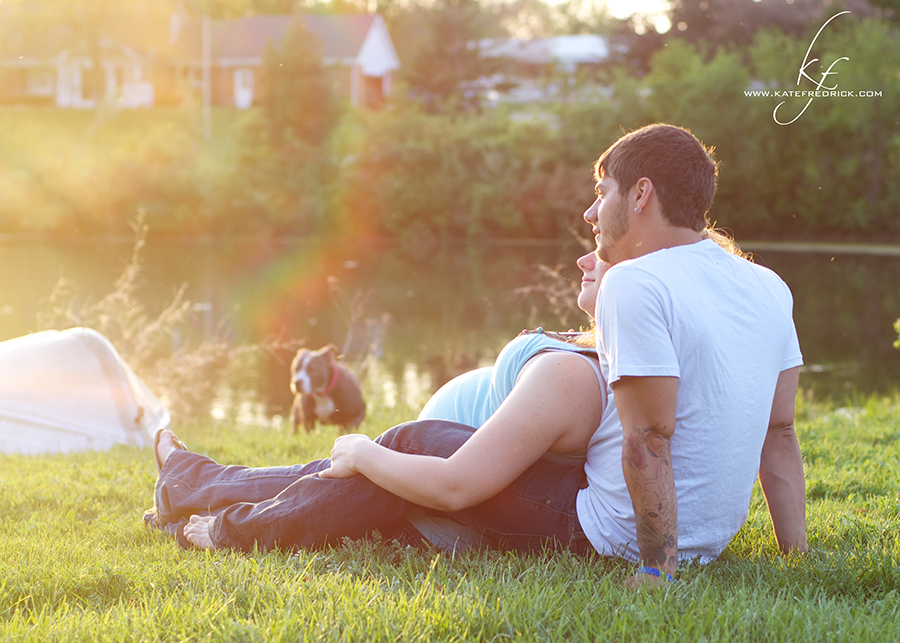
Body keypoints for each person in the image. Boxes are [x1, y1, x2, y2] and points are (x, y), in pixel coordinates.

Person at [150, 124, 807, 585]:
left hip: (599, 535)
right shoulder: (768, 286)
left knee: (406, 447)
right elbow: (780, 435)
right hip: (709, 539)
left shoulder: (636, 281)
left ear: (641, 195)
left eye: (602, 190)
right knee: (422, 447)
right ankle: (196, 481)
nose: (590, 209)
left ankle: (212, 508)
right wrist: (795, 559)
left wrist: (658, 570)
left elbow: (650, 438)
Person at [145, 249, 610, 553]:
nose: (584, 257)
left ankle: (205, 504)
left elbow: (457, 484)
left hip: (458, 484)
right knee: (353, 469)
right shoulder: (611, 349)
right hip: (466, 470)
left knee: (368, 467)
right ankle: (191, 487)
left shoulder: (585, 372)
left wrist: (365, 450)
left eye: (604, 249)